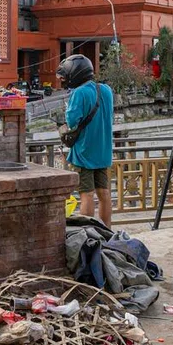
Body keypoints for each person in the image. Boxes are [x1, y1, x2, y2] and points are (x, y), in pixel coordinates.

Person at [58, 54, 114, 226]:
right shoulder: (106, 89)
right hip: (103, 150)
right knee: (104, 193)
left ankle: (88, 232)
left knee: (87, 194)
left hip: (84, 152)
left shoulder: (79, 93)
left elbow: (73, 121)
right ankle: (107, 231)